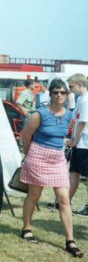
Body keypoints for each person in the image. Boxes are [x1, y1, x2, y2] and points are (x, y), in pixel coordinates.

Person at [19, 78, 82, 257]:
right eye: (56, 92)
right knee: (34, 195)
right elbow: (25, 136)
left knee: (64, 199)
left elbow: (65, 134)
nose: (59, 95)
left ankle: (70, 240)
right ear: (51, 94)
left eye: (63, 92)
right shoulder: (38, 114)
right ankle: (26, 228)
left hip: (57, 158)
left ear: (67, 94)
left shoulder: (69, 115)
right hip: (38, 155)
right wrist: (28, 155)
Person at [67, 74, 88, 216]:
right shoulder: (80, 99)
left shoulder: (86, 100)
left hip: (85, 144)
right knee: (73, 173)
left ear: (80, 84)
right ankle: (64, 201)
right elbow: (75, 119)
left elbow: (82, 123)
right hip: (78, 144)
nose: (70, 89)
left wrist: (74, 140)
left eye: (71, 86)